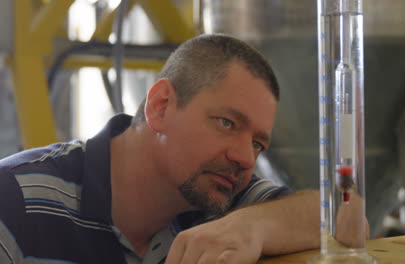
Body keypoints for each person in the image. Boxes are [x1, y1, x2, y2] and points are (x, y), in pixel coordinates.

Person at [0, 34, 325, 264]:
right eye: (227, 123)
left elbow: (345, 217)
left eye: (258, 144)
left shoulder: (223, 204)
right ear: (161, 106)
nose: (244, 158)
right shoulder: (12, 200)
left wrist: (255, 227)